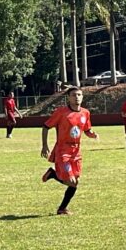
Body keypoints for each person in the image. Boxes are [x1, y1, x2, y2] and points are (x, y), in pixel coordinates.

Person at [40, 87, 99, 215]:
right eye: (73, 95)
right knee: (71, 181)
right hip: (63, 150)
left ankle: (62, 208)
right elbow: (45, 127)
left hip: (76, 152)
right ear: (68, 97)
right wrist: (45, 146)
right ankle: (53, 174)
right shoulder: (61, 112)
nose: (77, 97)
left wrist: (92, 134)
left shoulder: (85, 113)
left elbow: (87, 130)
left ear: (82, 97)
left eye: (79, 95)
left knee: (75, 183)